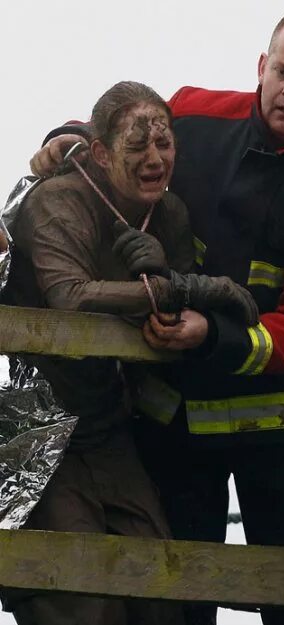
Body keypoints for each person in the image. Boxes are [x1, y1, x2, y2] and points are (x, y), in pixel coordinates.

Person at [32, 7, 284, 625]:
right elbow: (123, 136)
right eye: (282, 70)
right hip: (175, 421)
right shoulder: (192, 116)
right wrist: (65, 139)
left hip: (281, 430)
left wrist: (211, 335)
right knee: (175, 603)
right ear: (261, 66)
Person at [1, 81, 258, 625]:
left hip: (110, 423)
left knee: (158, 591)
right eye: (137, 147)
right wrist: (186, 288)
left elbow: (175, 311)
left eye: (164, 145)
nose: (154, 159)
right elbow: (69, 298)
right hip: (39, 427)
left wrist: (172, 279)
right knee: (77, 596)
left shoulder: (169, 213)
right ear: (100, 152)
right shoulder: (57, 201)